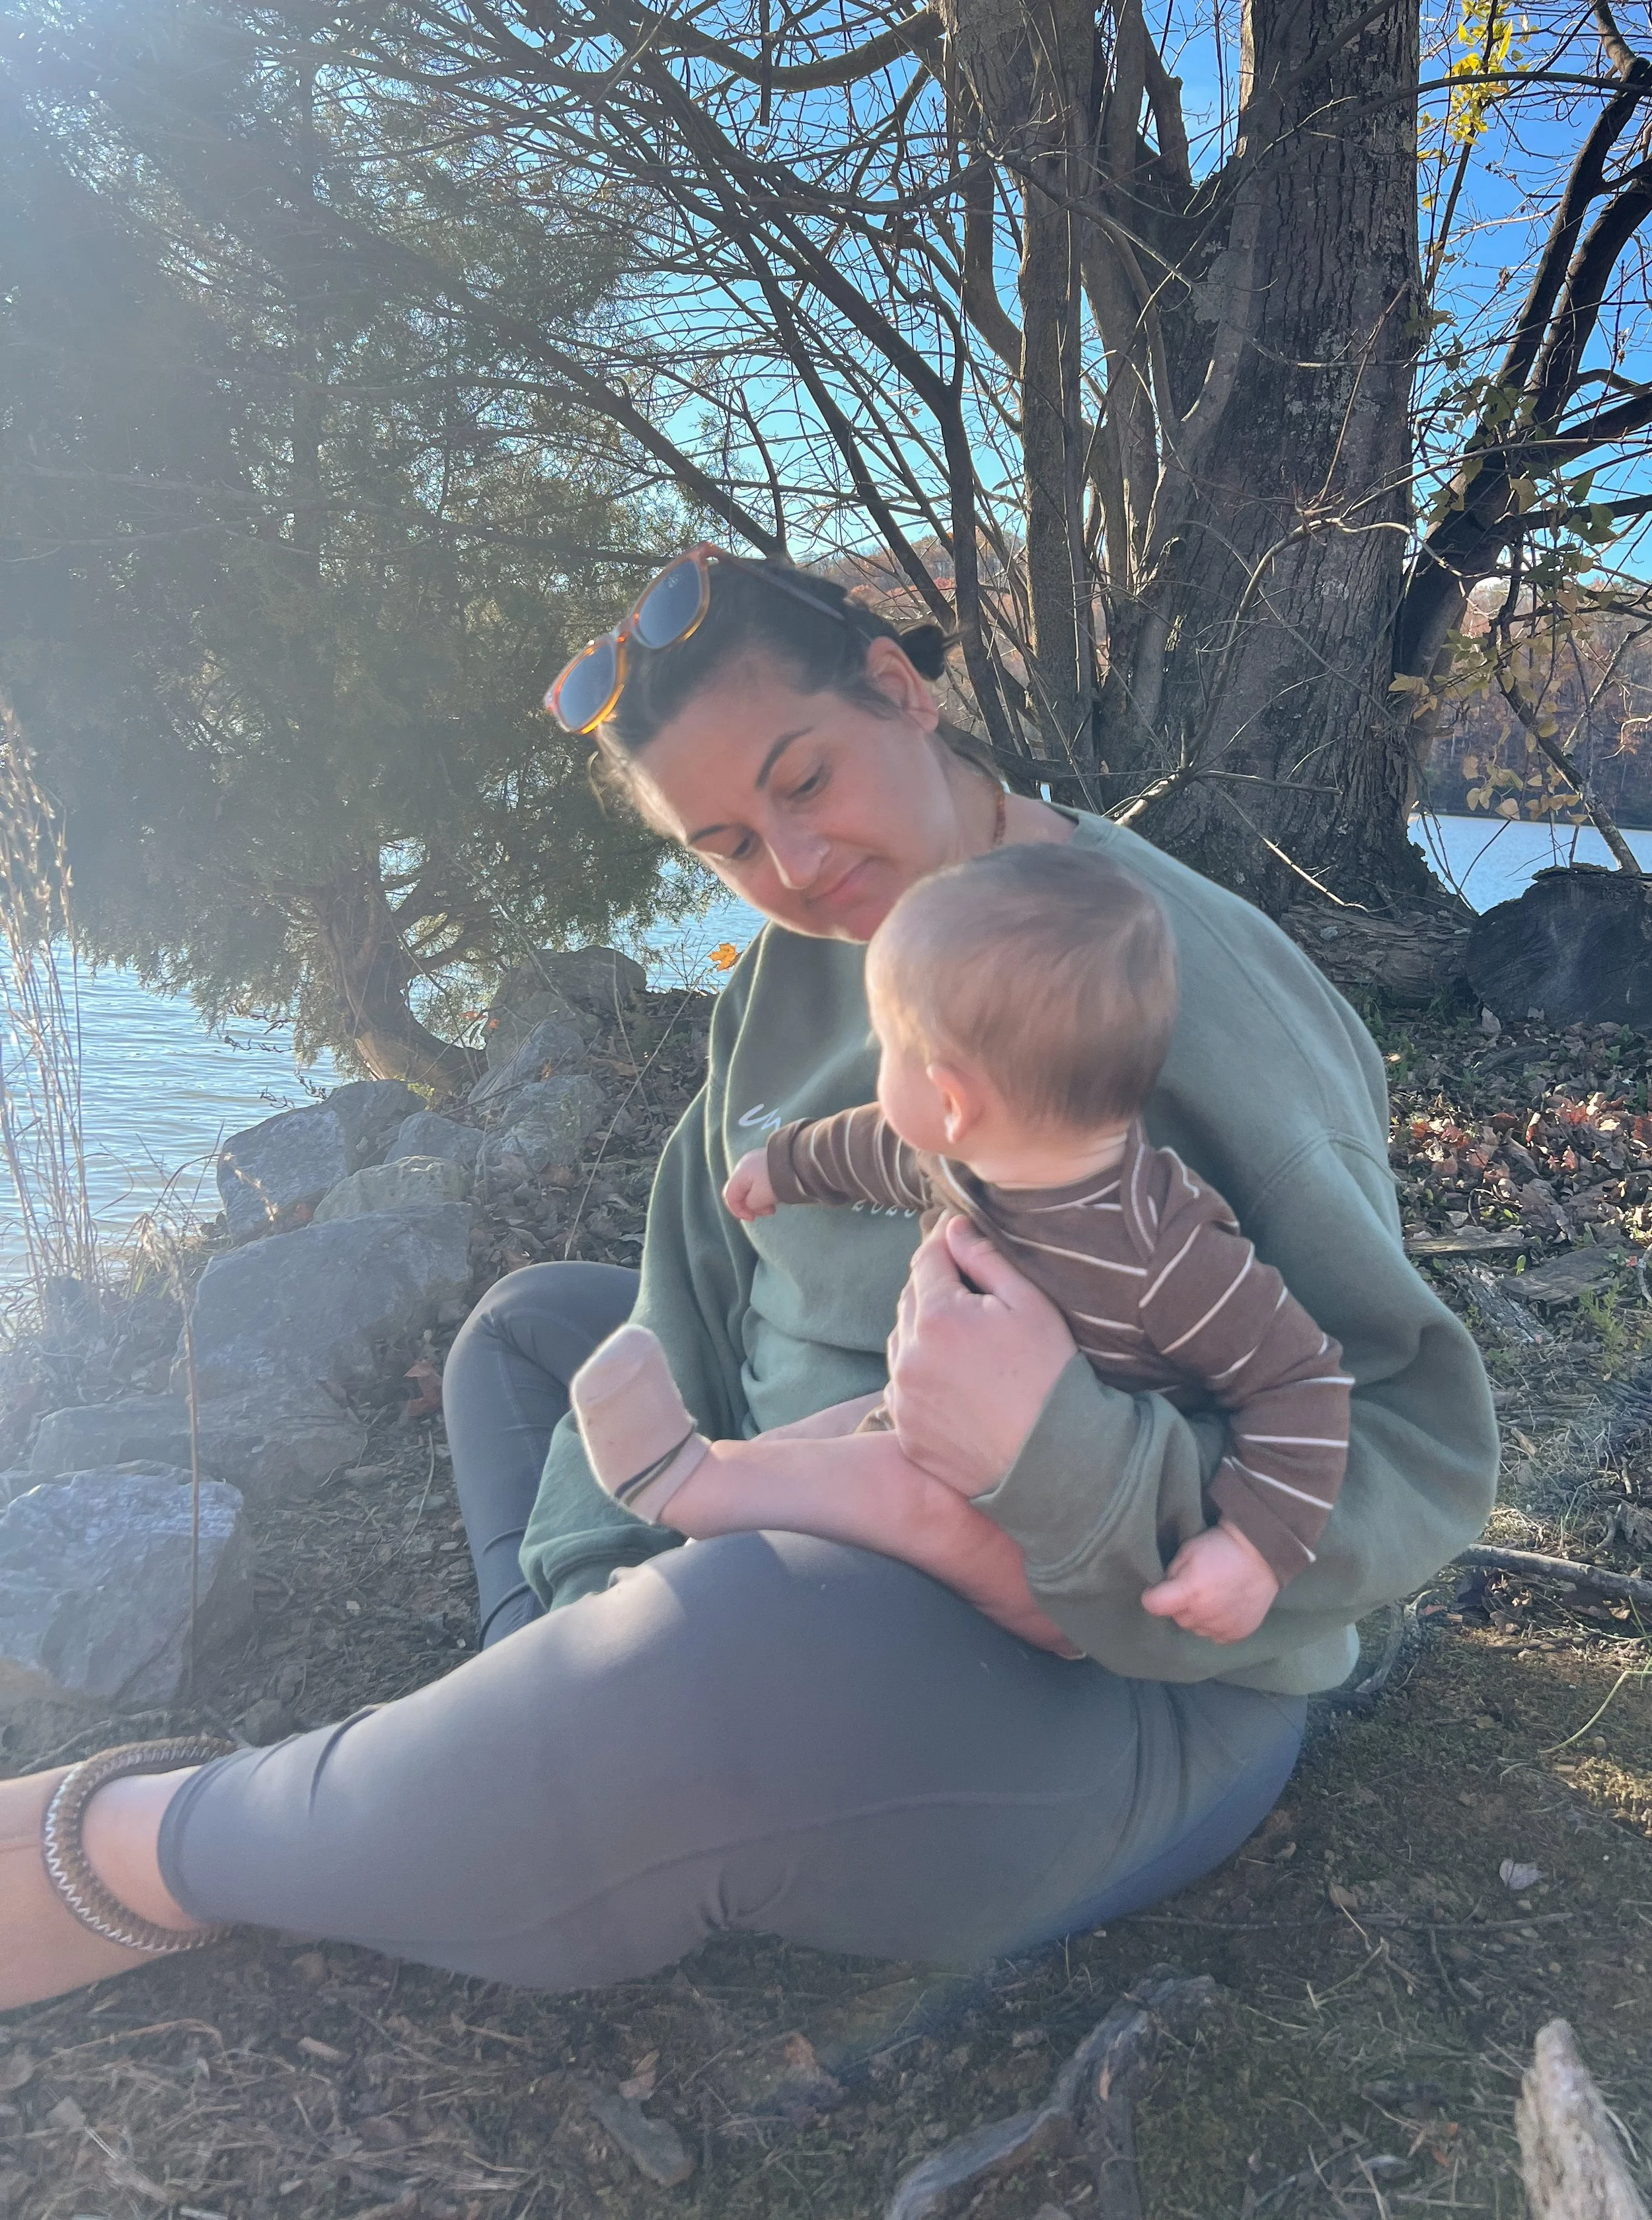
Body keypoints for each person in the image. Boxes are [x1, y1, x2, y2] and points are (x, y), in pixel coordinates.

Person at [0, 546, 1498, 2016]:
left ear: (901, 691)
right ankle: (547, 1742)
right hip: (784, 1532)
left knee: (717, 1658)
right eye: (723, 844)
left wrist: (1064, 1458)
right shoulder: (806, 961)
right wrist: (612, 1592)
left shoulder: (1167, 976)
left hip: (1111, 1677)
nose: (792, 867)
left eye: (803, 779)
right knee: (529, 1335)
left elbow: (1402, 1449)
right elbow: (690, 1276)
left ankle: (142, 1850)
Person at [572, 842, 1353, 1647]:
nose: (877, 1080)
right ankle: (709, 1544)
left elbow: (1302, 1386)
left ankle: (691, 1486)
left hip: (1060, 1559)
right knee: (838, 1433)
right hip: (952, 1449)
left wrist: (1253, 1552)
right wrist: (783, 1163)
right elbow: (877, 1149)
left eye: (886, 1053)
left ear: (948, 1097)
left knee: (888, 1482)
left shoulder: (1170, 1254)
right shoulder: (970, 1155)